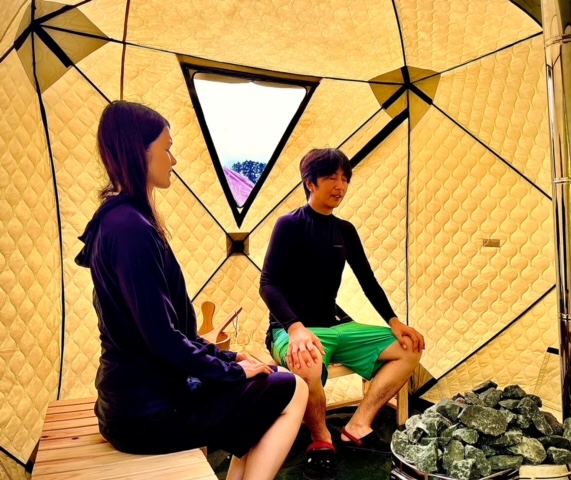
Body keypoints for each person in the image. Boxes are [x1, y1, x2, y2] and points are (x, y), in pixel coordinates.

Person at [75, 100, 308, 480]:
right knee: (292, 387)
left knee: (266, 383)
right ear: (140, 152)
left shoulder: (117, 219)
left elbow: (166, 332)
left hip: (136, 399)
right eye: (166, 149)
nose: (174, 160)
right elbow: (163, 339)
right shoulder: (131, 229)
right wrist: (231, 371)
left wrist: (229, 359)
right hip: (146, 413)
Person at [260, 148, 425, 480]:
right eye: (331, 177)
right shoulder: (289, 225)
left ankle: (358, 424)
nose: (340, 185)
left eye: (345, 178)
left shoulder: (345, 230)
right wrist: (295, 327)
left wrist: (394, 322)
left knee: (410, 347)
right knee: (306, 360)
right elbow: (268, 284)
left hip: (336, 327)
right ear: (310, 183)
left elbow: (368, 280)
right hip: (290, 330)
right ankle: (321, 438)